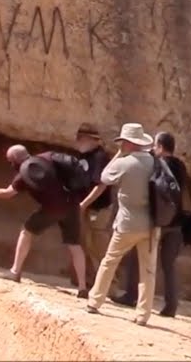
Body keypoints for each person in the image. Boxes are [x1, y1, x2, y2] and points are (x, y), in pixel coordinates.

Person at [0, 145, 91, 297]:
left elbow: (8, 193)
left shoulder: (22, 174)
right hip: (72, 205)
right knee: (74, 245)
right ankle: (82, 287)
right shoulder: (48, 156)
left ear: (15, 160)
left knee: (26, 231)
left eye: (10, 161)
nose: (11, 164)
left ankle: (15, 271)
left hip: (52, 209)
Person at [81, 123, 160, 326]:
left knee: (109, 261)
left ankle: (95, 301)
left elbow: (104, 177)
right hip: (151, 224)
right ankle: (143, 314)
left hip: (127, 223)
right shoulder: (155, 162)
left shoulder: (124, 163)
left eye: (123, 142)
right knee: (148, 270)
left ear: (128, 143)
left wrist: (118, 155)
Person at [114, 131, 188, 317]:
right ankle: (171, 305)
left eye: (155, 145)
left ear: (160, 147)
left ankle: (131, 295)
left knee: (138, 258)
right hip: (177, 222)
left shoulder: (157, 164)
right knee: (169, 265)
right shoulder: (181, 166)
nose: (153, 149)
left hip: (158, 221)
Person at [72, 123, 115, 290]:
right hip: (85, 207)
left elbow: (101, 185)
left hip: (98, 208)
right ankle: (89, 280)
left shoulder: (100, 157)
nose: (78, 141)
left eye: (81, 138)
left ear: (90, 139)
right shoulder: (83, 156)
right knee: (85, 243)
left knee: (99, 246)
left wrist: (84, 204)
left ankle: (110, 286)